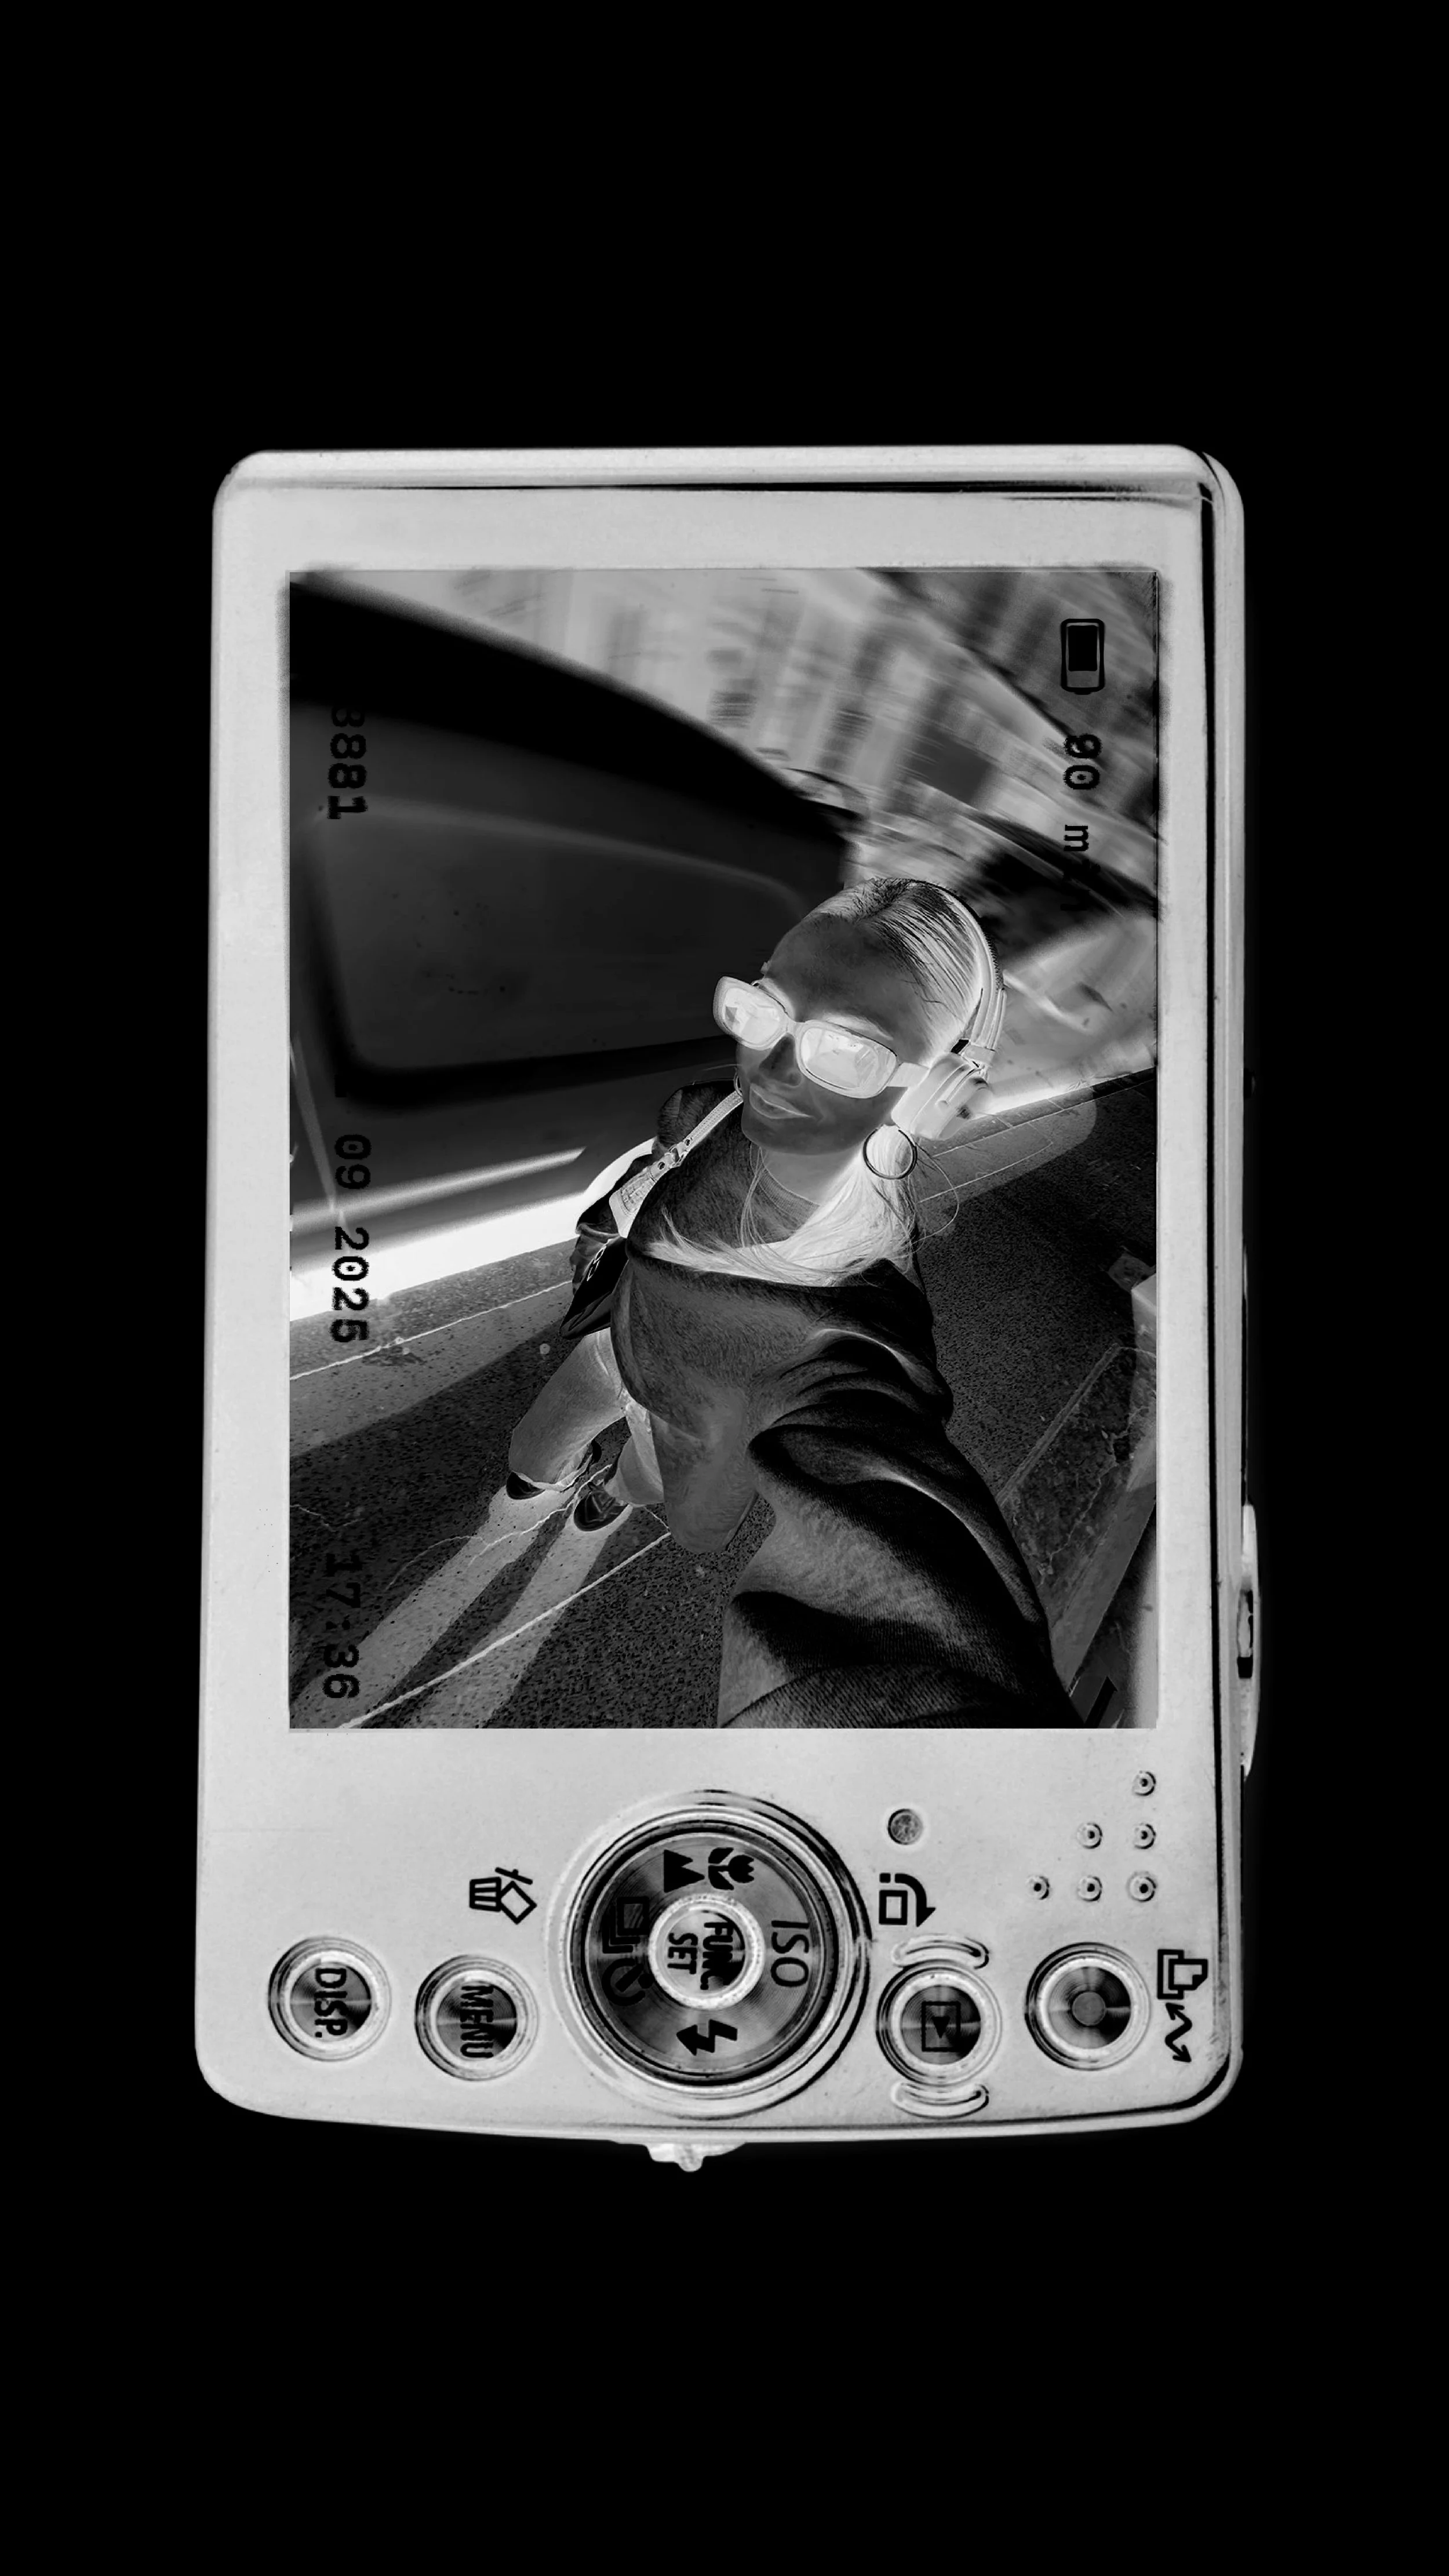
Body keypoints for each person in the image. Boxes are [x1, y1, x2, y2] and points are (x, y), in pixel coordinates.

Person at [505, 879, 1078, 1727]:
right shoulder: (707, 1109)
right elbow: (642, 1188)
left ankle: (603, 1497)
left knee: (634, 1479)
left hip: (687, 1433)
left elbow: (889, 1514)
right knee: (532, 1454)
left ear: (937, 1091)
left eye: (847, 1051)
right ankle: (531, 1494)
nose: (770, 1072)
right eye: (766, 1013)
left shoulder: (862, 1318)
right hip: (613, 1344)